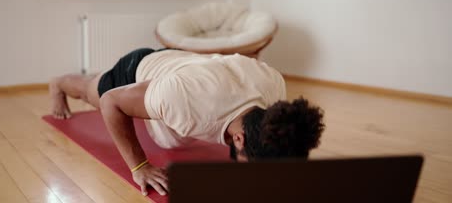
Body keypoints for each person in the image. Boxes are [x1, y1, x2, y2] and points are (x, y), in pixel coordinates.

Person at [49, 48, 325, 196]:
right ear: (239, 139)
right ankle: (59, 83)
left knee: (169, 130)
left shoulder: (275, 88)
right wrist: (140, 167)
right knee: (93, 92)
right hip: (138, 70)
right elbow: (112, 102)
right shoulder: (184, 99)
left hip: (182, 65)